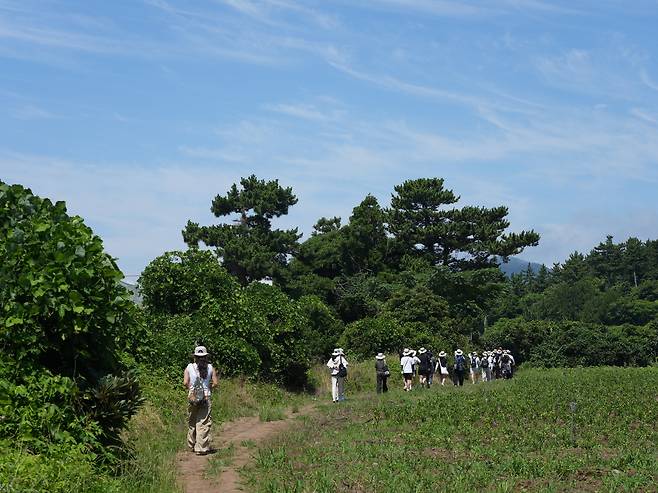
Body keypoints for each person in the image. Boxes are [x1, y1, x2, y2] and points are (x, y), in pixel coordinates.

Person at [184, 345, 219, 455]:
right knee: (203, 422)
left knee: (192, 421)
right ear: (206, 357)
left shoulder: (189, 367)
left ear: (195, 357)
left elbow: (185, 382)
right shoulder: (210, 368)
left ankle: (191, 444)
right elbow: (215, 383)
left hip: (192, 397)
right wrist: (208, 388)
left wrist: (191, 390)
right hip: (205, 397)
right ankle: (201, 448)